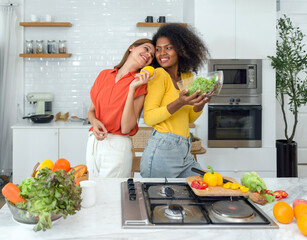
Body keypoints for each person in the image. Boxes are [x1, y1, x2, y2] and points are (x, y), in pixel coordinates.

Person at [140, 23, 210, 178]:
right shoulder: (159, 75)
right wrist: (180, 102)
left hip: (185, 149)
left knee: (202, 188)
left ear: (181, 49)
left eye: (168, 48)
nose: (161, 53)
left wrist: (201, 103)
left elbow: (189, 117)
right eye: (158, 49)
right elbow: (149, 117)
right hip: (162, 150)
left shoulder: (187, 77)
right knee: (160, 201)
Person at [86, 38, 155, 178]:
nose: (149, 55)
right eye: (146, 49)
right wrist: (94, 122)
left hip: (117, 147)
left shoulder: (140, 83)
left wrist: (132, 88)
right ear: (132, 48)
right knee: (92, 193)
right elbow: (91, 111)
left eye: (152, 56)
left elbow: (126, 128)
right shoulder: (104, 74)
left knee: (111, 197)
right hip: (94, 141)